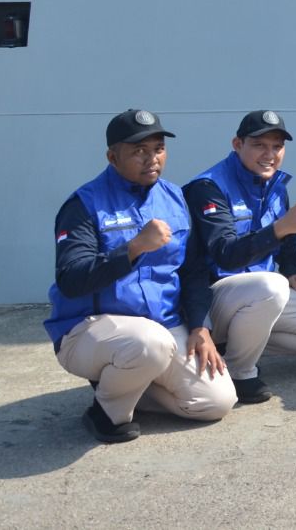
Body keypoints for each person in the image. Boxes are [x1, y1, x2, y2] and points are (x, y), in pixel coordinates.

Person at [45, 109, 236, 443]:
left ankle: (127, 383)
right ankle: (106, 412)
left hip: (161, 327)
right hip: (91, 329)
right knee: (149, 343)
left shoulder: (175, 198)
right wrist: (132, 249)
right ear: (112, 156)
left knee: (215, 402)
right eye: (138, 151)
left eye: (158, 148)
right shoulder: (84, 204)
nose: (152, 159)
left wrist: (200, 327)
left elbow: (192, 272)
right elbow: (71, 279)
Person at [182, 110, 296, 405]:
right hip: (216, 297)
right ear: (237, 144)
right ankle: (242, 371)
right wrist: (282, 227)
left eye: (277, 146)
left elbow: (287, 244)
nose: (269, 154)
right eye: (259, 145)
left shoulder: (274, 184)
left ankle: (237, 345)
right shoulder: (208, 188)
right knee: (269, 286)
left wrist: (293, 270)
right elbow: (226, 254)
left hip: (262, 295)